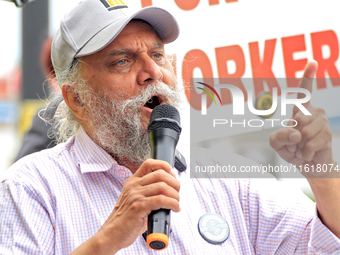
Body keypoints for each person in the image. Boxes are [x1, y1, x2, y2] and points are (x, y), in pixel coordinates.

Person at [1, 0, 340, 254]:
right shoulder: (31, 186)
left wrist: (322, 173)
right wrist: (108, 239)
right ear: (77, 99)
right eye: (122, 60)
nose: (153, 72)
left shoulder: (228, 178)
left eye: (158, 54)